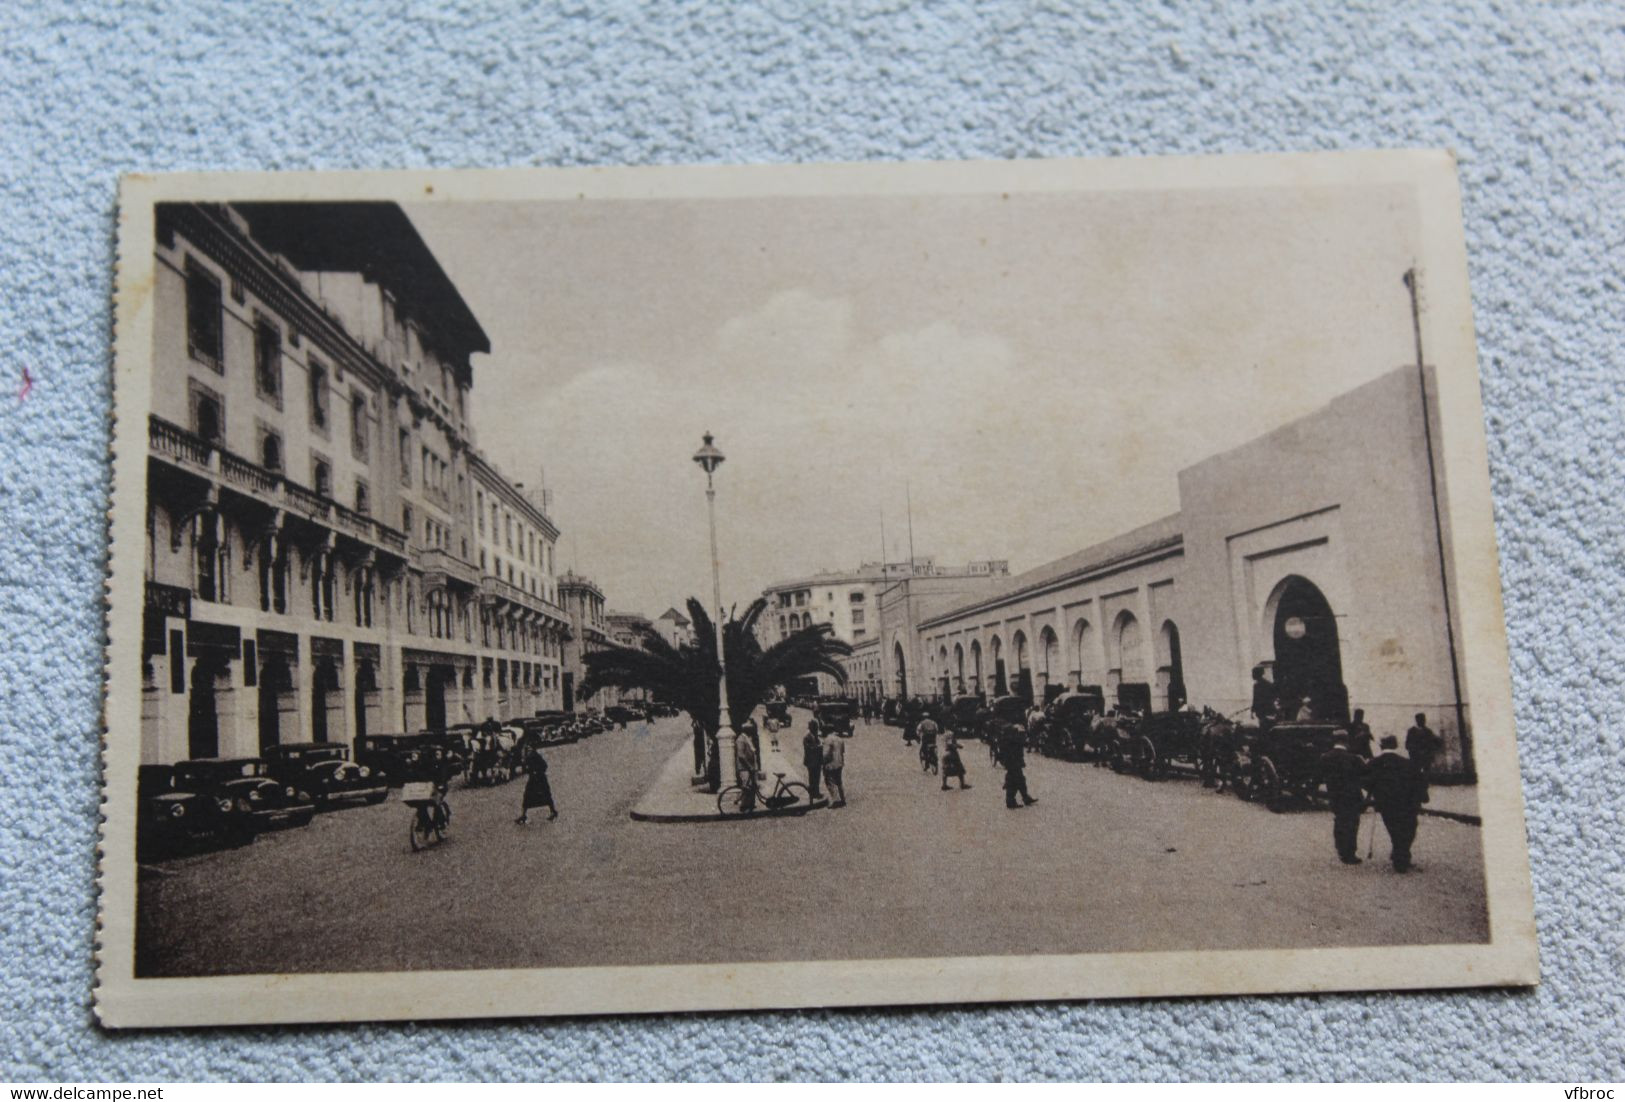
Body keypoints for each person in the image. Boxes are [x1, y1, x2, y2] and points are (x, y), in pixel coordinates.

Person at [1367, 735, 1424, 871]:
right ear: (1396, 745)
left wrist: (1374, 791)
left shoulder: (1374, 763)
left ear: (1381, 746)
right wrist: (1420, 799)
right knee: (1409, 828)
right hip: (1406, 803)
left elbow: (1365, 780)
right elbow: (1418, 781)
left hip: (1386, 803)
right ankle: (1401, 858)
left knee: (1394, 829)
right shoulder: (1407, 763)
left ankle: (1400, 855)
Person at [1318, 736, 1369, 864]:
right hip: (1351, 796)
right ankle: (1349, 853)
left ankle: (1341, 849)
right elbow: (1365, 775)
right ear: (1346, 742)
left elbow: (1319, 776)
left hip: (1335, 795)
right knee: (1352, 823)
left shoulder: (1325, 757)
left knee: (1339, 820)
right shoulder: (1353, 758)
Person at [515, 745, 558, 824]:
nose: (527, 750)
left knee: (545, 795)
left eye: (529, 749)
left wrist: (536, 771)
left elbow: (544, 766)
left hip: (540, 779)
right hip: (534, 779)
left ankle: (553, 811)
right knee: (528, 796)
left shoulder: (535, 756)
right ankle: (524, 815)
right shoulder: (528, 757)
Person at [999, 722, 1037, 809]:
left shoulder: (1011, 739)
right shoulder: (1014, 740)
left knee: (1019, 780)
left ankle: (1024, 797)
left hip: (1013, 762)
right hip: (1013, 763)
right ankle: (1011, 801)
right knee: (1015, 781)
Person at [1406, 713, 1443, 801]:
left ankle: (1424, 794)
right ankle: (1417, 794)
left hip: (1426, 758)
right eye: (1420, 719)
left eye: (1423, 719)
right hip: (1416, 758)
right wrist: (1415, 751)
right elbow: (1407, 745)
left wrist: (1431, 750)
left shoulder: (1428, 731)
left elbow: (1436, 742)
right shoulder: (1412, 731)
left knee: (1426, 776)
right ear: (1417, 720)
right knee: (1416, 776)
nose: (1422, 721)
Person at [821, 725, 847, 808]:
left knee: (829, 781)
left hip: (830, 764)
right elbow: (842, 751)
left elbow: (825, 754)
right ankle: (843, 799)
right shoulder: (840, 739)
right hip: (839, 763)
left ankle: (835, 800)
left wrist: (823, 762)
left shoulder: (827, 740)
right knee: (839, 782)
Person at [735, 725, 759, 812]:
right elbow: (741, 756)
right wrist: (749, 766)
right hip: (745, 768)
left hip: (751, 767)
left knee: (752, 786)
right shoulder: (741, 739)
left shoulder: (747, 738)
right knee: (746, 787)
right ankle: (744, 806)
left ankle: (751, 805)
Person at [802, 719, 824, 800]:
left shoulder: (815, 735)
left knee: (817, 777)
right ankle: (812, 794)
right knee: (812, 778)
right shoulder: (807, 737)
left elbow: (819, 744)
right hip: (811, 761)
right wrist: (819, 746)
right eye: (816, 726)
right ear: (812, 727)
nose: (817, 728)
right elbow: (809, 748)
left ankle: (816, 792)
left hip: (817, 761)